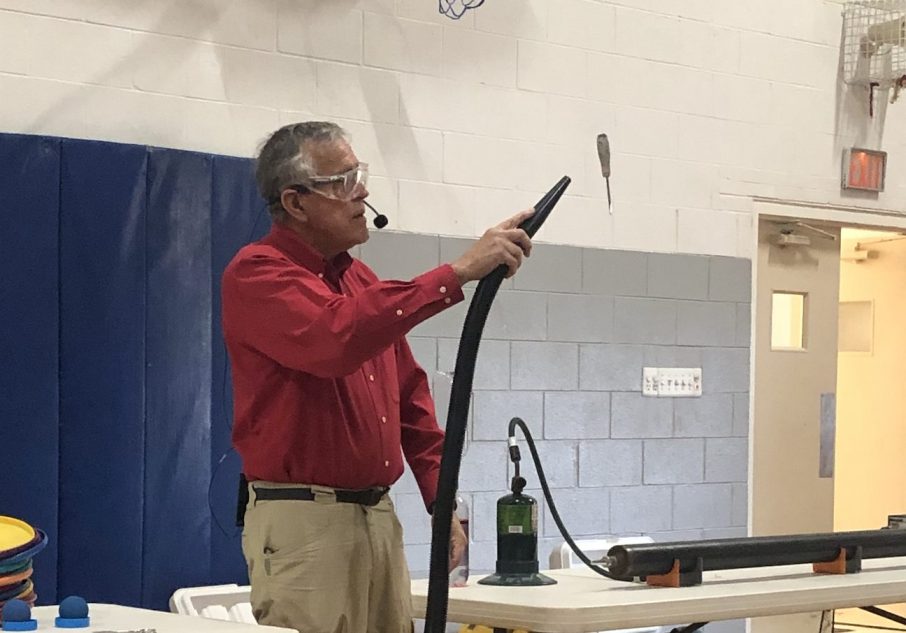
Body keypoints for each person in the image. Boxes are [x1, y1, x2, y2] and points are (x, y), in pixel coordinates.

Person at [221, 121, 534, 633]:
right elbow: (335, 338)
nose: (361, 192)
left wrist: (440, 498)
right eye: (343, 180)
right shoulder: (257, 273)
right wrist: (457, 273)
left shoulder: (358, 280)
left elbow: (410, 395)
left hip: (375, 515)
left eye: (358, 175)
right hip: (306, 522)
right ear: (296, 203)